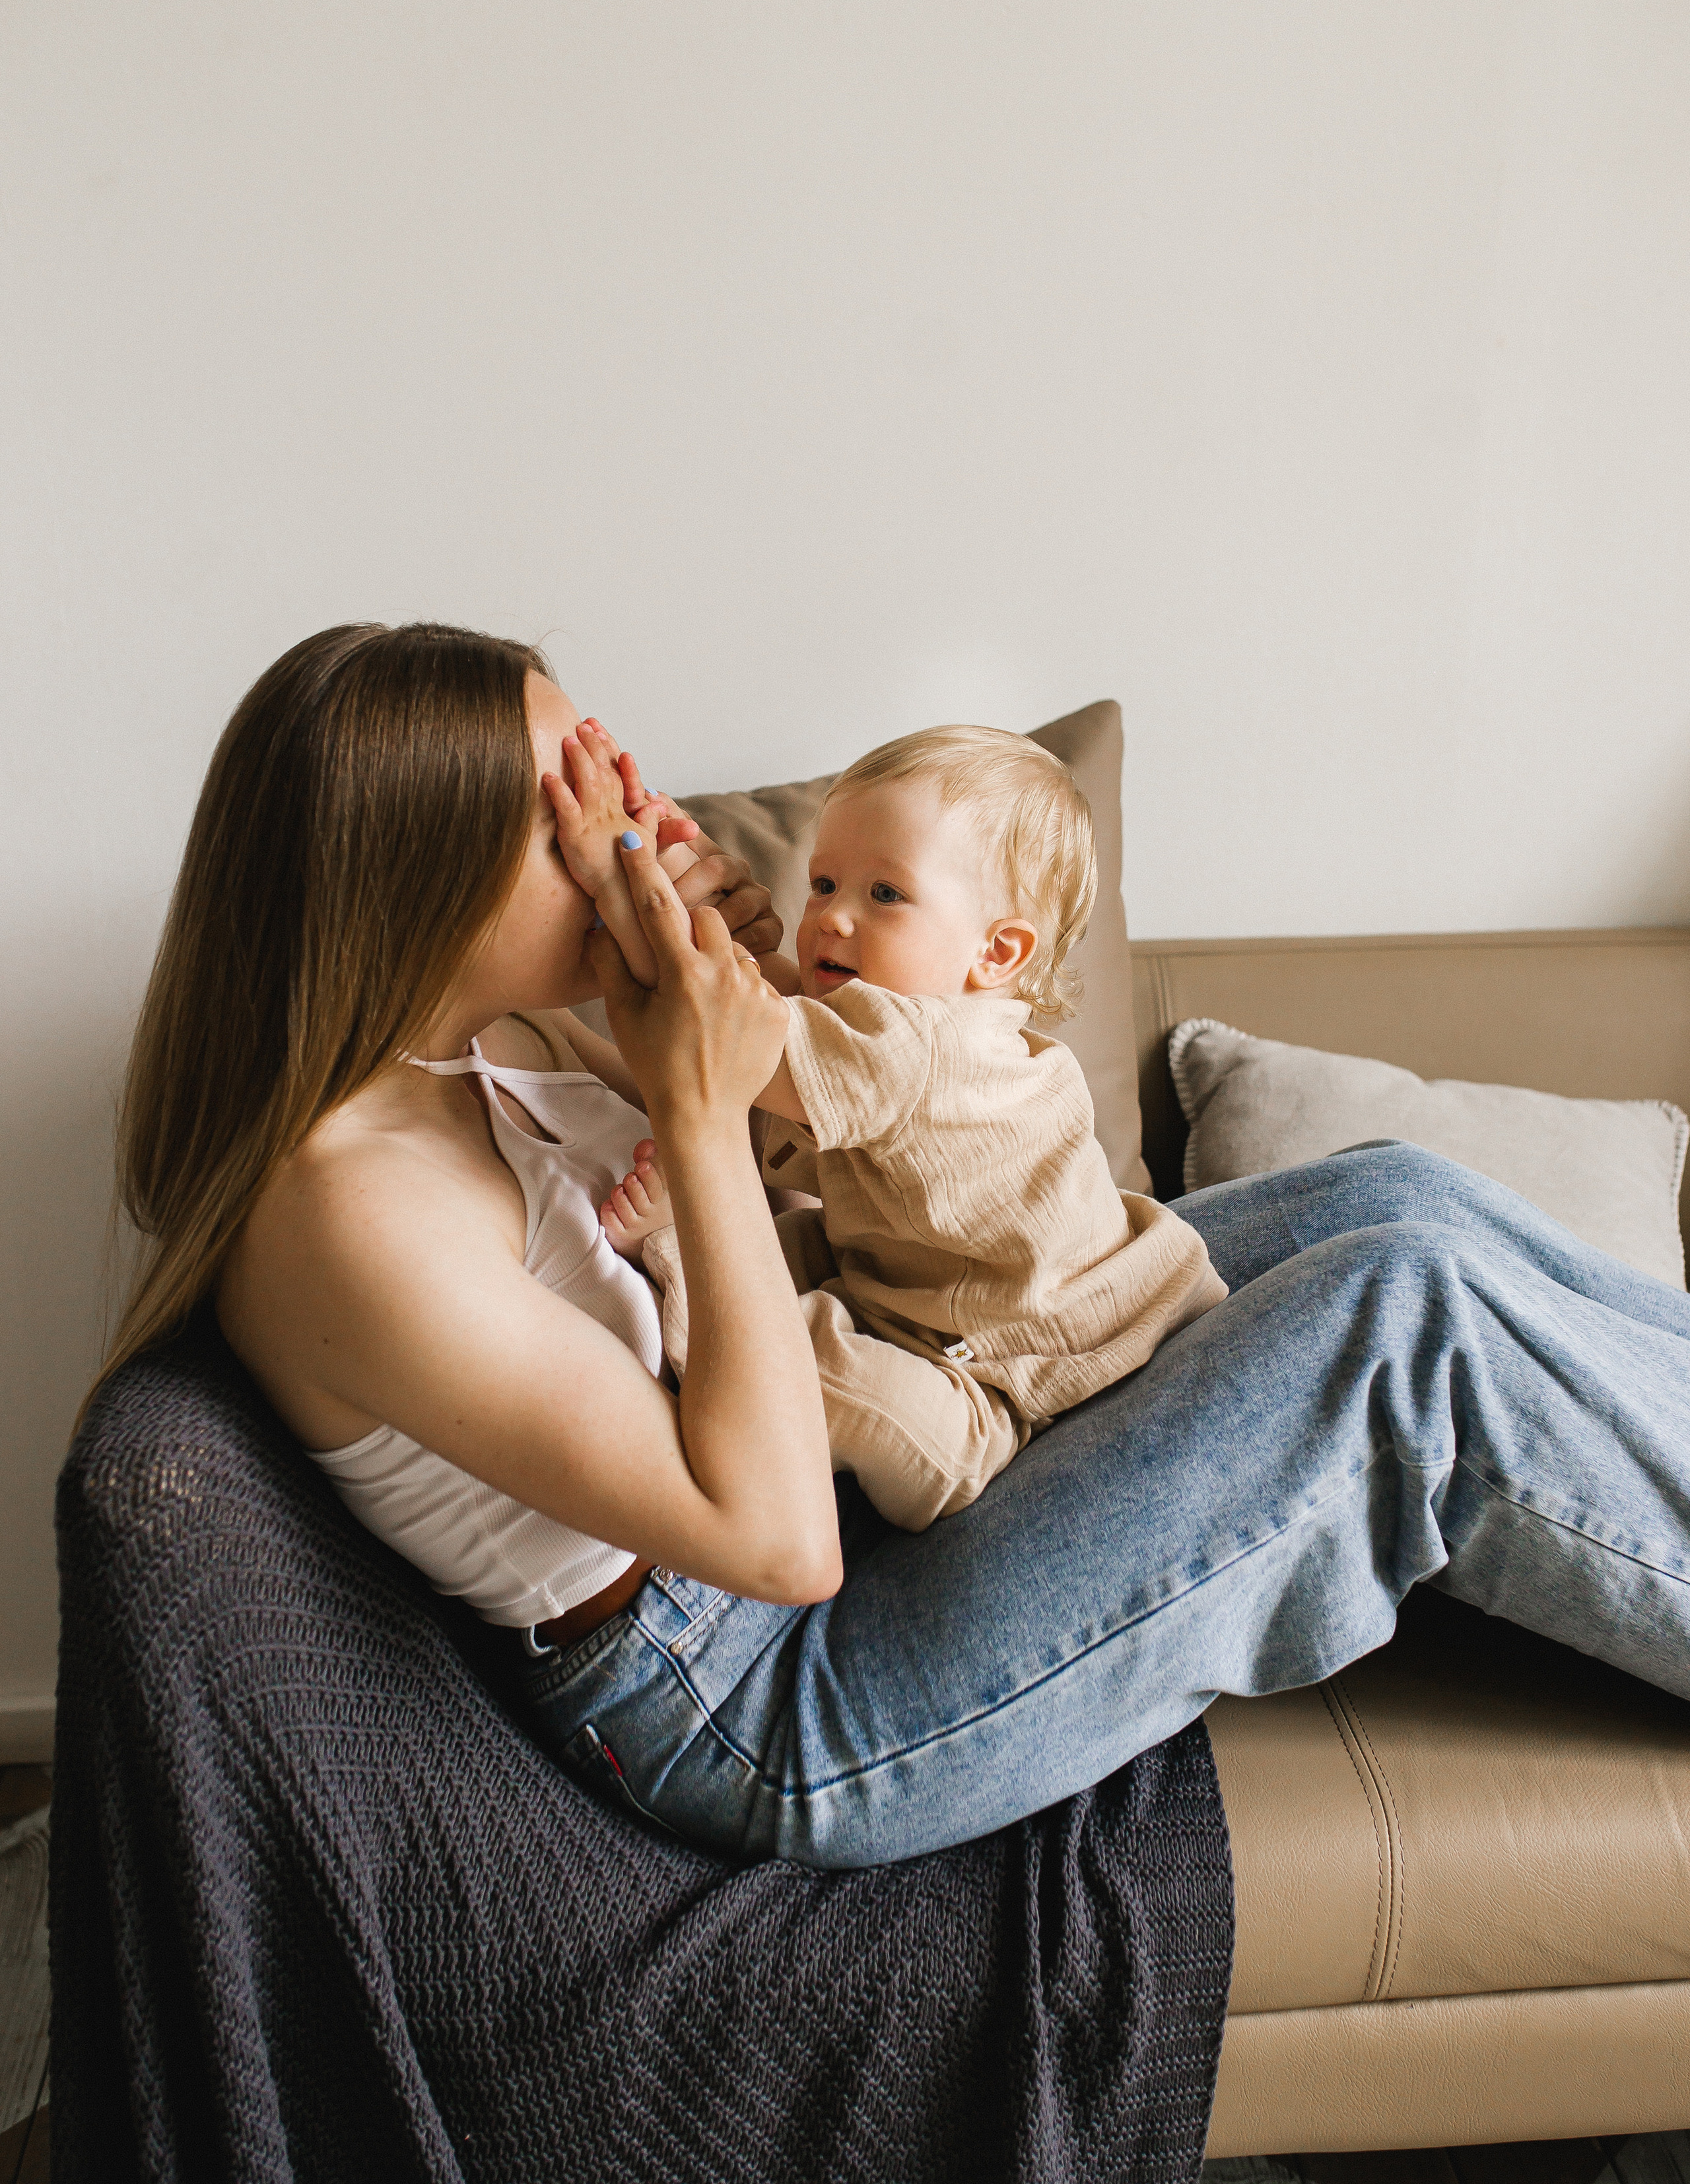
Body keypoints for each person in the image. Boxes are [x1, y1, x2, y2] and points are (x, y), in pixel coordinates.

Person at [108, 619, 1690, 1871]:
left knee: (1389, 1197)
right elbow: (778, 1535)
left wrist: (718, 948)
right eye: (568, 825)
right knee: (1396, 1320)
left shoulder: (469, 1054)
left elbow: (773, 1089)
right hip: (765, 1690)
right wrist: (699, 1099)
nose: (623, 845)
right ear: (417, 882)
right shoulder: (344, 1214)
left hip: (836, 1490)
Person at [599, 724, 1226, 1529]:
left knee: (894, 1422)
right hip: (942, 1295)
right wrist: (711, 903)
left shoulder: (916, 1048)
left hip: (1004, 1367)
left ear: (996, 952)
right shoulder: (938, 1032)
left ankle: (676, 1259)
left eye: (884, 895)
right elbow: (780, 1015)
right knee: (802, 1254)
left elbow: (735, 1037)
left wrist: (649, 896)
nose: (830, 917)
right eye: (823, 883)